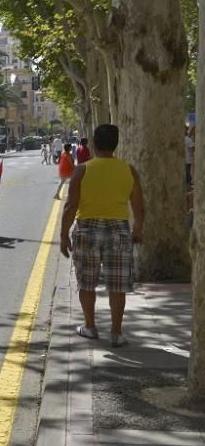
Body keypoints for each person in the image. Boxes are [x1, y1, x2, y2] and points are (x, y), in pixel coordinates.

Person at [60, 124, 144, 348]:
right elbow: (138, 204)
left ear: (94, 144)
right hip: (119, 229)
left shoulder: (82, 170)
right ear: (116, 144)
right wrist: (138, 229)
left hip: (87, 229)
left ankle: (90, 326)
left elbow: (70, 206)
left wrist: (63, 235)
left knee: (87, 282)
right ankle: (116, 333)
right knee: (118, 284)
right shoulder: (129, 170)